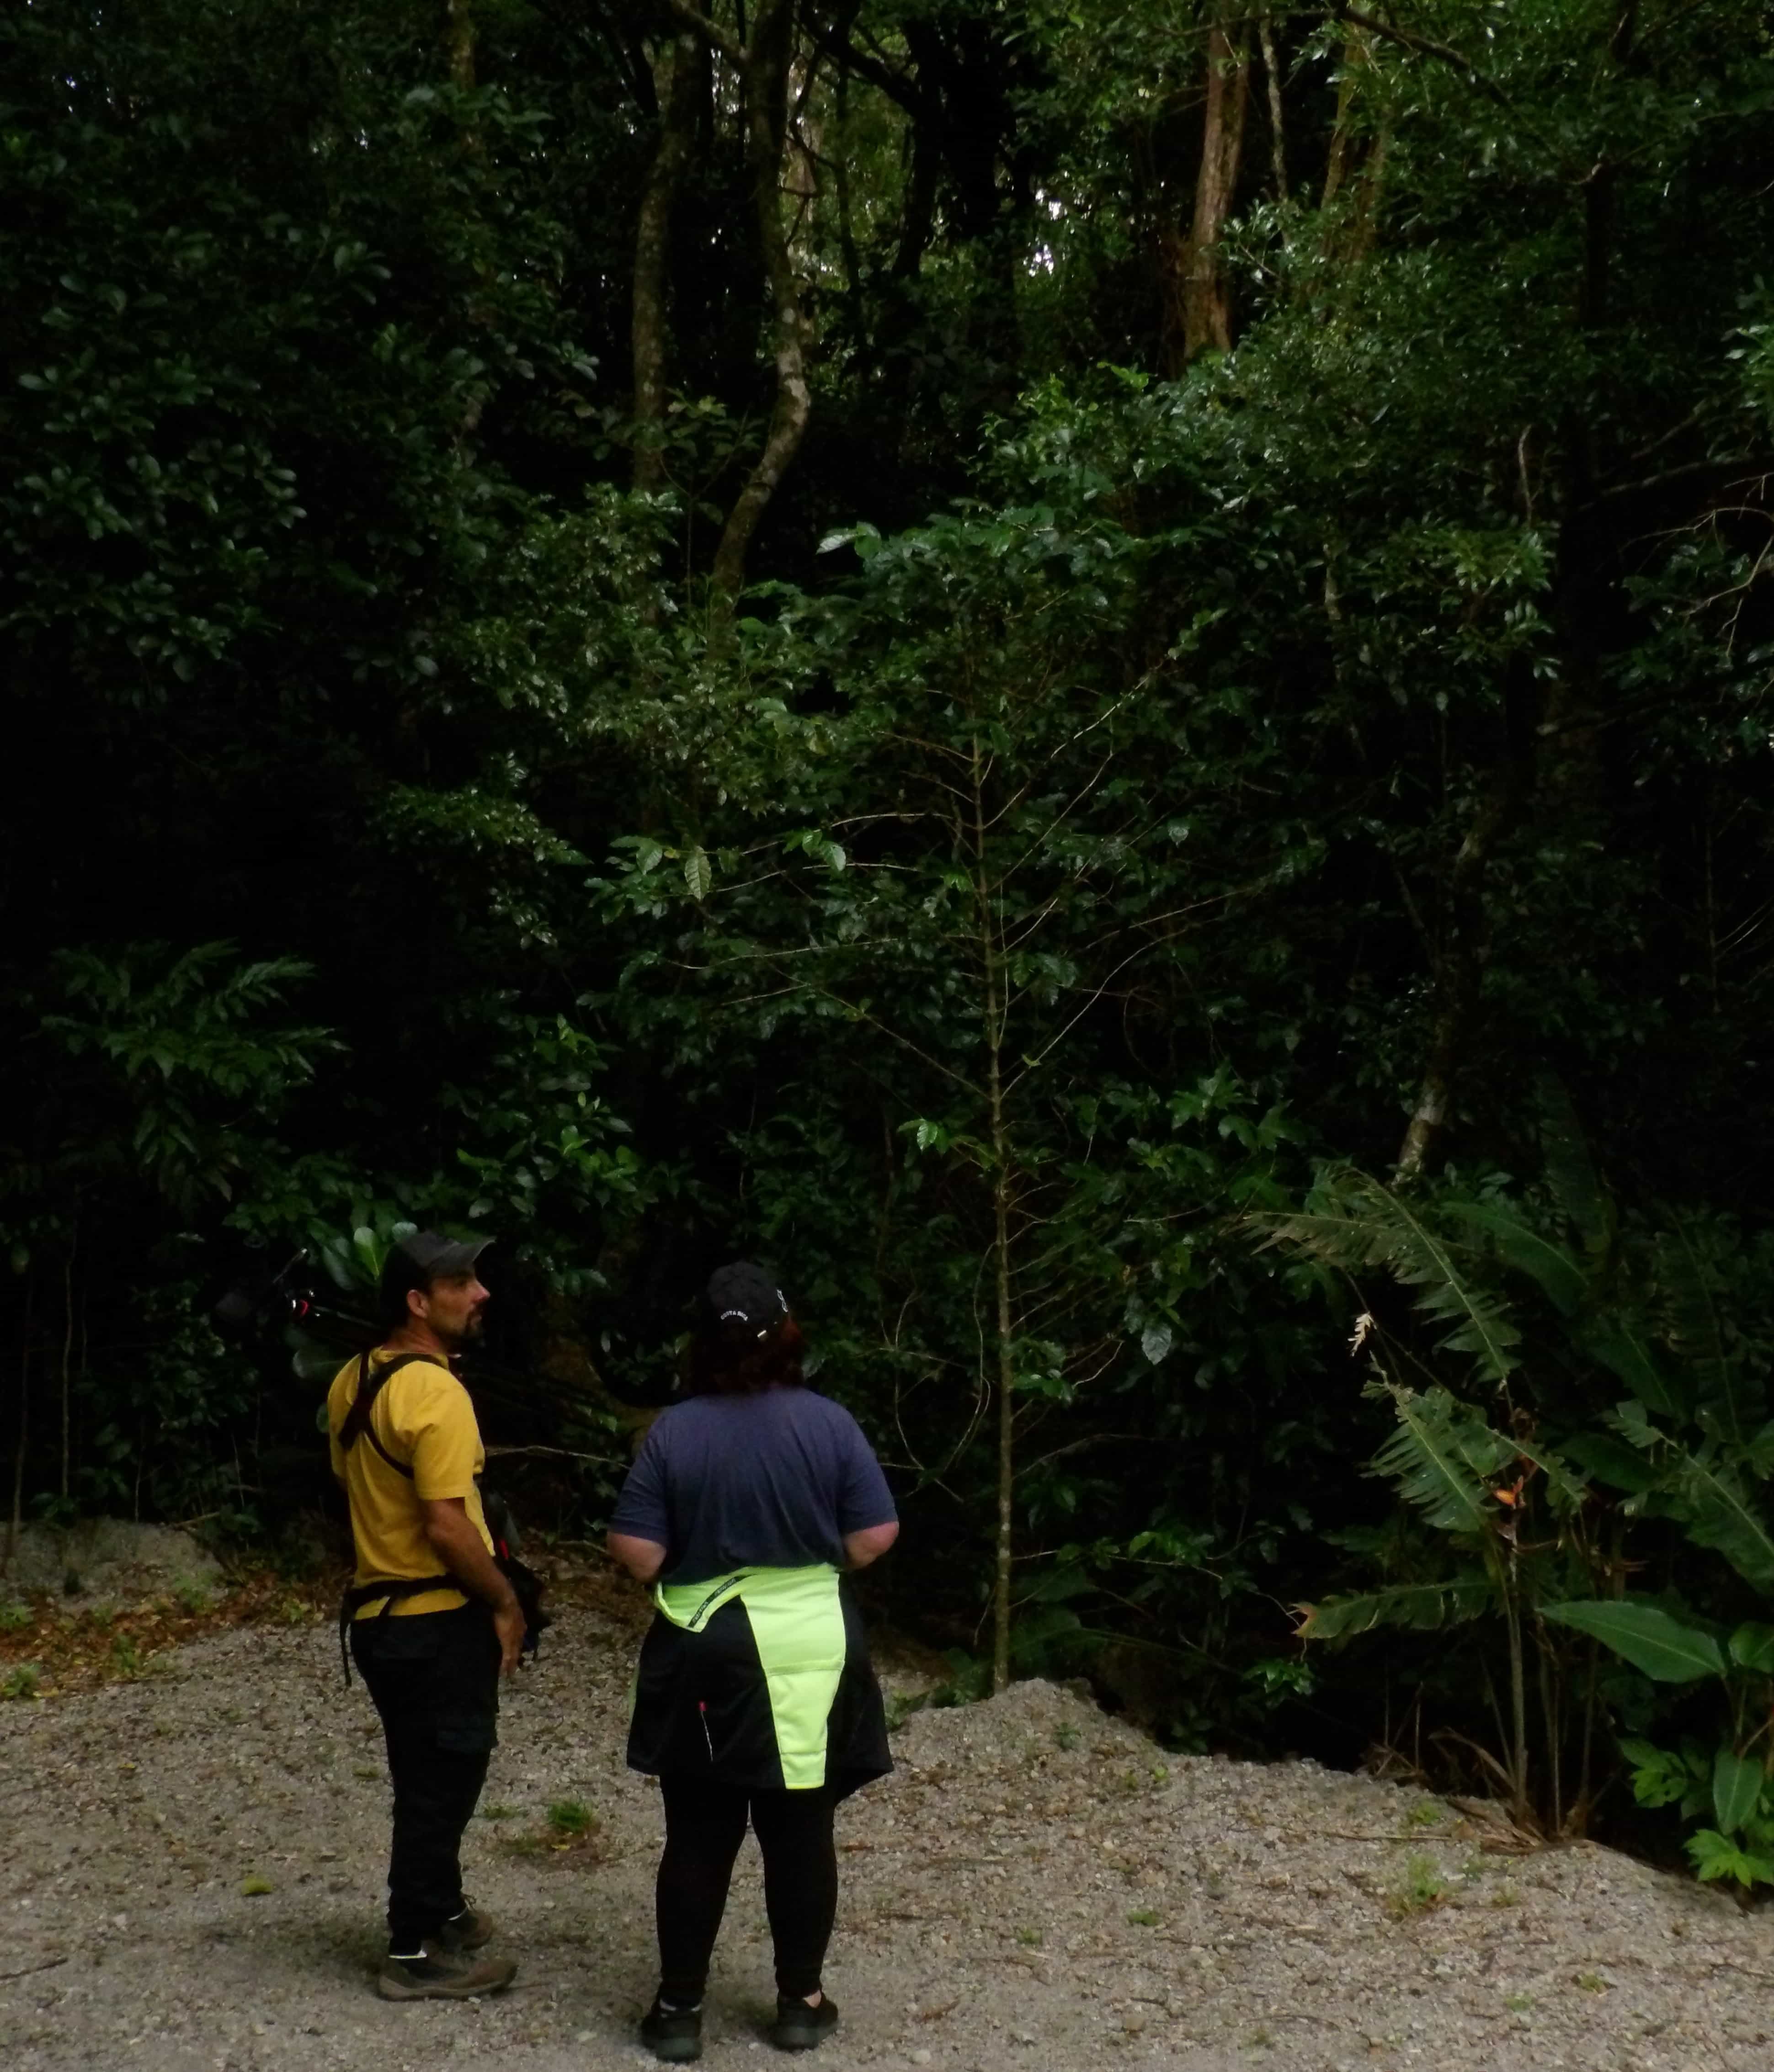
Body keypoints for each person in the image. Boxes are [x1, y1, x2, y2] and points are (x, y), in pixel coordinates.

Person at [608, 1262, 900, 2062]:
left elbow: (638, 1554)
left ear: (700, 1343)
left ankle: (677, 2011)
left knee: (698, 1832)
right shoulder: (829, 1423)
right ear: (788, 1334)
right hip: (812, 1646)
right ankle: (800, 2003)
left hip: (705, 1649)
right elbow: (874, 1537)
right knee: (800, 1829)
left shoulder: (674, 1429)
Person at [326, 1229, 525, 2001]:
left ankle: (441, 1906)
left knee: (424, 1770)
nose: (480, 1294)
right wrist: (505, 1601)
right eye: (460, 1283)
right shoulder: (439, 1392)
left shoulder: (353, 1379)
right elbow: (446, 1525)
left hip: (378, 1620)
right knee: (445, 1776)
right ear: (419, 1301)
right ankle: (411, 1950)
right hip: (436, 1619)